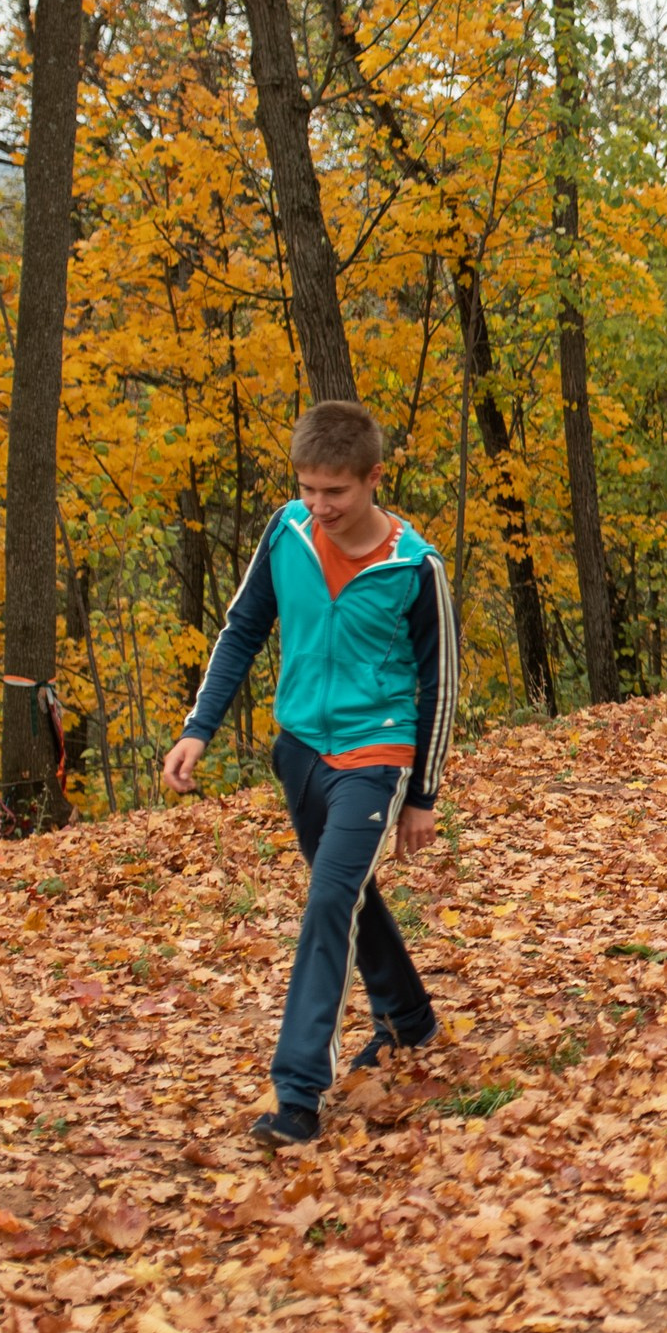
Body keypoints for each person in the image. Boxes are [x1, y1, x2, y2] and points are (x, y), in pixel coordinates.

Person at [161, 402, 460, 1147]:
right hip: (299, 749)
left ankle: (297, 1093)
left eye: (336, 491)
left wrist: (422, 793)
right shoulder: (286, 531)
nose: (320, 506)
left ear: (373, 478)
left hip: (375, 755)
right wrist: (199, 728)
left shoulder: (415, 567)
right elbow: (243, 628)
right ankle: (408, 1017)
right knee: (346, 895)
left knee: (329, 897)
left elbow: (440, 685)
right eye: (308, 489)